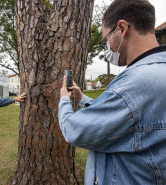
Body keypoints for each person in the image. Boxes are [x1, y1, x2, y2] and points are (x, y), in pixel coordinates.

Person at [58, 0, 166, 184]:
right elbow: (132, 120)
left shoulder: (132, 83)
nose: (107, 47)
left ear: (122, 28)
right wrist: (82, 98)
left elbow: (74, 130)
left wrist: (64, 100)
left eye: (106, 39)